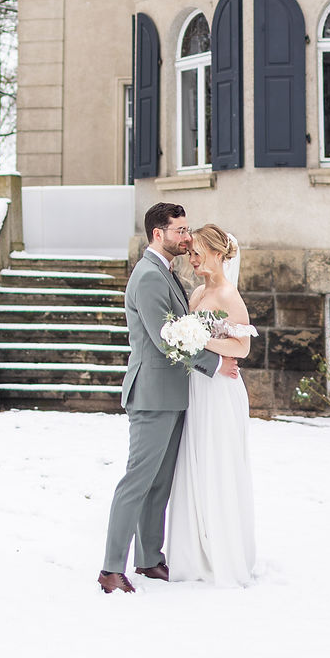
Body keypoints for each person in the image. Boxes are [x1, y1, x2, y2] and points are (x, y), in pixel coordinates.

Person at [98, 202, 240, 594]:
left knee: (159, 484)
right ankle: (111, 569)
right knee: (137, 481)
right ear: (158, 233)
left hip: (174, 394)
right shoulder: (148, 276)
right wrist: (215, 363)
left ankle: (149, 559)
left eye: (186, 229)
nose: (187, 237)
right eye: (180, 230)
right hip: (151, 394)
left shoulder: (168, 272)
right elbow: (165, 340)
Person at [167, 222, 256, 587]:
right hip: (198, 388)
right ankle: (195, 551)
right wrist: (190, 340)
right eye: (189, 252)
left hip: (220, 391)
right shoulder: (198, 292)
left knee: (218, 462)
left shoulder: (229, 296)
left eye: (197, 252)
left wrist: (200, 340)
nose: (192, 258)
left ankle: (224, 553)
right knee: (196, 460)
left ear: (218, 254)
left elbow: (242, 347)